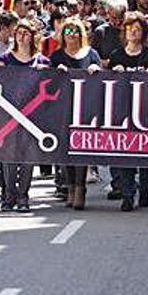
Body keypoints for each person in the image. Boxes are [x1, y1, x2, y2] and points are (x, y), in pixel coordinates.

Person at [0, 19, 50, 212]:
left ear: (33, 36)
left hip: (34, 116)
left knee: (28, 157)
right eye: (19, 33)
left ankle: (23, 196)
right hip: (8, 114)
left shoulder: (42, 61)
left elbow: (56, 80)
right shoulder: (6, 59)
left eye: (26, 33)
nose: (22, 37)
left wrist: (50, 72)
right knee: (9, 157)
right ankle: (9, 196)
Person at [109, 12, 148, 211]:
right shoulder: (117, 55)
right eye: (129, 28)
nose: (133, 31)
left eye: (137, 28)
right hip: (123, 109)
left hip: (146, 110)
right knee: (124, 153)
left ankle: (144, 189)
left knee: (144, 153)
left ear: (143, 32)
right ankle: (127, 194)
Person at [50, 17, 102, 209]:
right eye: (67, 31)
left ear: (82, 34)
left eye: (75, 31)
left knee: (81, 149)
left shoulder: (92, 54)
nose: (71, 35)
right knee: (65, 150)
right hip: (62, 107)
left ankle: (80, 188)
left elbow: (102, 77)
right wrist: (55, 71)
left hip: (86, 108)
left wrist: (96, 69)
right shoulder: (56, 56)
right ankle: (70, 186)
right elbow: (47, 82)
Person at [91, 0, 127, 68]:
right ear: (108, 14)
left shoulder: (131, 30)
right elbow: (93, 58)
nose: (118, 22)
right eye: (114, 18)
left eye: (121, 18)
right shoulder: (101, 32)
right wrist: (107, 63)